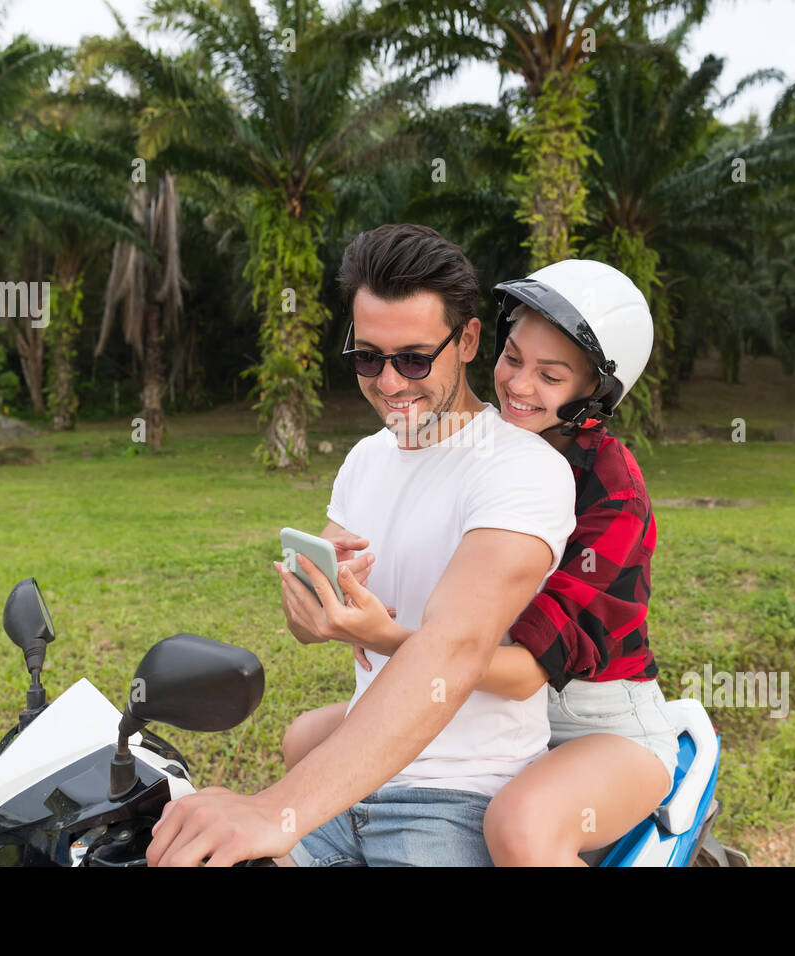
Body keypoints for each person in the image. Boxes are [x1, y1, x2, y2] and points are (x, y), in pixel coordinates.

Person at [146, 224, 576, 867]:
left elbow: (453, 647)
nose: (390, 383)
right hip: (347, 789)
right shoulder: (365, 461)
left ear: (468, 340)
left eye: (413, 358)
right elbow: (311, 630)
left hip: (456, 805)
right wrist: (311, 609)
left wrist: (274, 808)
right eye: (368, 358)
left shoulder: (520, 469)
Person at [281, 258, 679, 866]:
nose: (519, 385)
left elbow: (526, 671)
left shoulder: (611, 491)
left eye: (551, 375)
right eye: (513, 358)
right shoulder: (456, 445)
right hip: (487, 704)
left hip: (595, 715)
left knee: (522, 828)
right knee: (306, 739)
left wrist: (389, 637)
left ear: (594, 394)